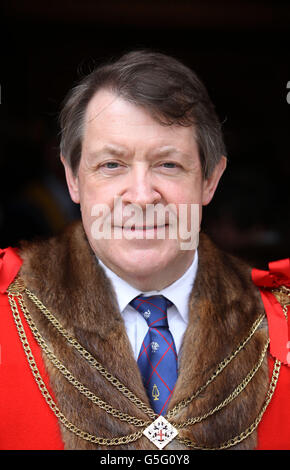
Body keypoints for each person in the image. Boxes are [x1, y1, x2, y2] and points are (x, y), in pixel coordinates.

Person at [0, 50, 289, 451]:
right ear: (73, 178)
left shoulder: (281, 320)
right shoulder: (6, 313)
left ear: (209, 180)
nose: (140, 196)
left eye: (168, 164)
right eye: (112, 165)